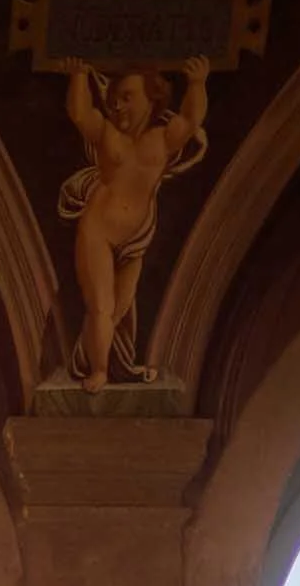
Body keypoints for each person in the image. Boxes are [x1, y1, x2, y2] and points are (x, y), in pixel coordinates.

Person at [59, 57, 209, 392]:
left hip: (137, 238)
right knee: (101, 306)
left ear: (152, 97)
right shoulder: (108, 135)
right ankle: (98, 370)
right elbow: (82, 115)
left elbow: (190, 118)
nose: (118, 106)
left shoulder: (162, 138)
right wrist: (79, 77)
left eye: (127, 97)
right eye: (114, 100)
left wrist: (198, 83)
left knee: (118, 310)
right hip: (98, 230)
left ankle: (98, 356)